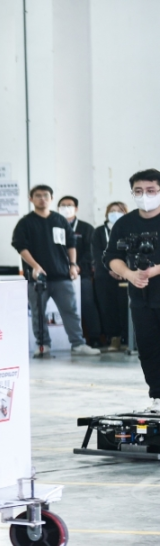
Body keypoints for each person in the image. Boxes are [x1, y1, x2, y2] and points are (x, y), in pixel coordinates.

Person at [12, 184, 100, 357]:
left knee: (70, 311)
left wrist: (72, 265)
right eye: (38, 195)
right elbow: (20, 247)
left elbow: (71, 244)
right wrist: (35, 266)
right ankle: (43, 345)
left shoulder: (60, 220)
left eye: (45, 195)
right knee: (38, 314)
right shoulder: (25, 223)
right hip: (38, 278)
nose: (42, 199)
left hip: (62, 276)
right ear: (31, 199)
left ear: (51, 198)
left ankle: (78, 344)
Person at [104, 169, 160, 411]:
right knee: (148, 348)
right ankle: (157, 397)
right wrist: (129, 274)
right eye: (138, 191)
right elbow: (111, 257)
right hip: (141, 299)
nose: (144, 195)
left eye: (151, 190)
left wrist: (154, 271)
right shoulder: (124, 224)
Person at [58, 196, 100, 346]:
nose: (66, 208)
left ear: (76, 208)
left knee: (87, 303)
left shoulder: (86, 228)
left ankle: (94, 337)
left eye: (69, 205)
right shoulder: (53, 226)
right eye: (63, 205)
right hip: (58, 274)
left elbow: (91, 252)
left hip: (82, 273)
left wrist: (77, 266)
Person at [92, 201, 130, 351]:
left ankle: (127, 338)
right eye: (112, 211)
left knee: (125, 307)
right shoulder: (99, 231)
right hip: (104, 275)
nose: (115, 213)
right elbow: (97, 253)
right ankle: (113, 338)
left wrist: (123, 270)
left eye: (119, 211)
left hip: (126, 275)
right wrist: (111, 268)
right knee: (108, 307)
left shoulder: (129, 229)